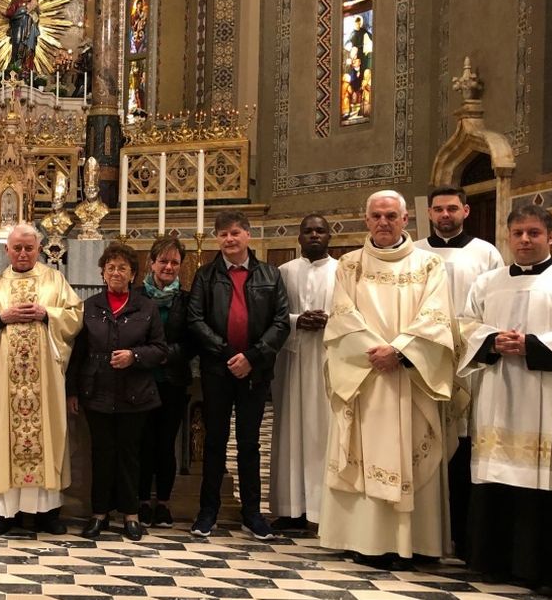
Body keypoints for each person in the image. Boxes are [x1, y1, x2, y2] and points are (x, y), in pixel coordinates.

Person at [320, 190, 454, 567]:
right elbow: (342, 318)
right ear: (366, 220)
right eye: (376, 216)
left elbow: (438, 315)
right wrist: (376, 352)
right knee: (362, 451)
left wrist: (400, 351)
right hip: (365, 377)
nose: (383, 222)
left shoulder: (429, 265)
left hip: (410, 376)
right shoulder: (349, 265)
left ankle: (414, 544)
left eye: (391, 215)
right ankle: (364, 539)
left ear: (406, 219)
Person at [458, 205, 552, 591]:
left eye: (533, 233)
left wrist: (531, 345)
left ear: (550, 236)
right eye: (517, 233)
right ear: (508, 237)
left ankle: (543, 570)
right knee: (495, 475)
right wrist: (491, 341)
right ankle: (493, 561)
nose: (525, 240)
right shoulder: (487, 282)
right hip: (497, 392)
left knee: (543, 483)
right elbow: (465, 325)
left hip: (546, 397)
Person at [0, 223, 83, 535]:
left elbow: (75, 316)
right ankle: (6, 514)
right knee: (6, 435)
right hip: (6, 381)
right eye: (17, 248)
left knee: (46, 434)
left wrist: (48, 314)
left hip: (44, 380)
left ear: (39, 249)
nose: (22, 253)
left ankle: (47, 513)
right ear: (6, 250)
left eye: (29, 248)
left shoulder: (55, 280)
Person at [188, 210, 290, 540]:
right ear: (217, 239)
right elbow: (196, 321)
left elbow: (281, 322)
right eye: (223, 234)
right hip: (218, 369)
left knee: (248, 444)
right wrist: (229, 353)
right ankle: (208, 512)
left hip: (254, 372)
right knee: (215, 442)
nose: (229, 239)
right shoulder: (205, 276)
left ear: (247, 234)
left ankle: (252, 514)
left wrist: (252, 356)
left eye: (235, 233)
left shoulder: (270, 275)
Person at [413, 184, 503, 557]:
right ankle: (425, 530)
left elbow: (492, 307)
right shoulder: (415, 252)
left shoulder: (485, 253)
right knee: (425, 436)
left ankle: (466, 533)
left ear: (466, 211)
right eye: (438, 209)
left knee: (465, 442)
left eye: (452, 208)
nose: (445, 215)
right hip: (423, 361)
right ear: (429, 213)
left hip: (470, 364)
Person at [67, 243, 167, 541]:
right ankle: (99, 513)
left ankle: (131, 515)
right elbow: (78, 353)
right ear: (102, 272)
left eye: (122, 267)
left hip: (134, 393)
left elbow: (160, 349)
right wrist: (72, 391)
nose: (116, 272)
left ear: (133, 274)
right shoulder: (90, 307)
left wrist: (134, 357)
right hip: (96, 392)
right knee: (101, 454)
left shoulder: (146, 307)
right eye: (110, 267)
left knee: (129, 455)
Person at [268, 215, 338, 531]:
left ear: (329, 237)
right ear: (298, 237)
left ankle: (326, 510)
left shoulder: (343, 271)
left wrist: (330, 321)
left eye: (319, 231)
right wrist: (297, 320)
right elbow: (274, 313)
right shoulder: (284, 272)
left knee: (324, 431)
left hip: (328, 358)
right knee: (289, 428)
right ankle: (290, 507)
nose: (313, 235)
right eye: (307, 231)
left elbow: (354, 312)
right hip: (292, 360)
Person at [136, 237, 194, 528]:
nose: (168, 267)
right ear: (152, 263)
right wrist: (148, 356)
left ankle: (165, 503)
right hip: (141, 381)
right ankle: (143, 500)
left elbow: (192, 340)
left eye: (174, 262)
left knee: (165, 444)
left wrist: (164, 355)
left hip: (172, 380)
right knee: (143, 442)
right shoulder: (137, 297)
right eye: (163, 261)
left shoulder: (186, 299)